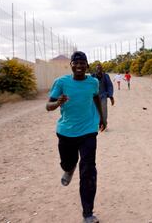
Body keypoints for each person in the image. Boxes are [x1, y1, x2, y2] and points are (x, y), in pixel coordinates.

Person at [46, 51, 106, 223]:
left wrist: (102, 118)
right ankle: (69, 168)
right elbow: (48, 106)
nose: (79, 66)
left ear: (87, 66)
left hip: (88, 131)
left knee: (88, 170)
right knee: (68, 162)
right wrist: (58, 102)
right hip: (66, 132)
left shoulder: (93, 82)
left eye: (82, 63)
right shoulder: (61, 82)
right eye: (76, 63)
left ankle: (88, 213)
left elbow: (95, 98)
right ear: (71, 65)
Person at [92, 64, 114, 128]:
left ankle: (104, 124)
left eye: (100, 68)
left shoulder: (106, 76)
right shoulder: (92, 76)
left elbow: (110, 86)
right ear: (96, 69)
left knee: (104, 110)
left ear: (102, 69)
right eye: (97, 68)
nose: (99, 69)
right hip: (94, 97)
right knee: (95, 110)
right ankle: (98, 124)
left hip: (103, 95)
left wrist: (111, 96)